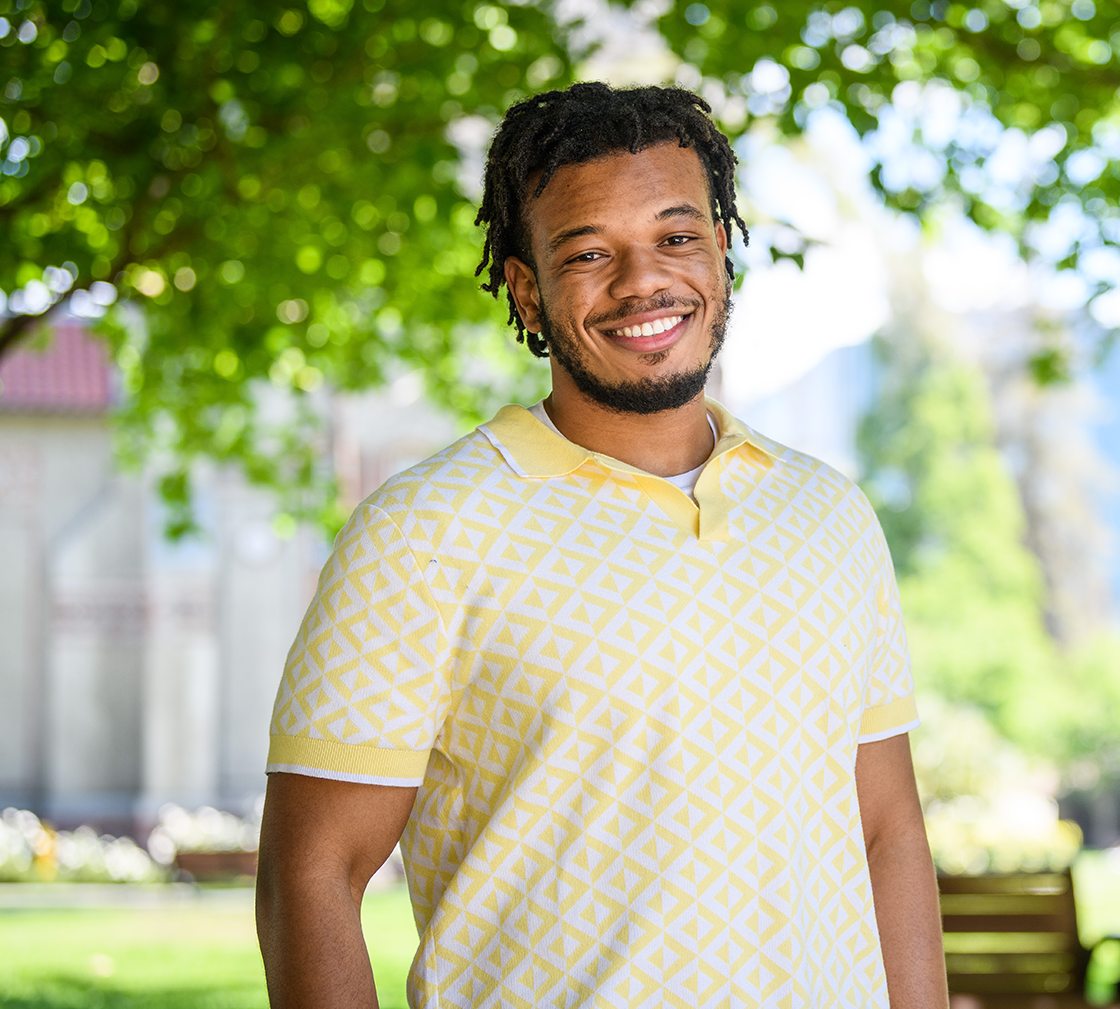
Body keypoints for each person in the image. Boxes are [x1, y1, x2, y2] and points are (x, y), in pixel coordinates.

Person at [255, 82, 947, 1008]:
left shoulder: (829, 515)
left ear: (722, 255)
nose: (642, 283)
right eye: (589, 253)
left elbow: (886, 830)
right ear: (527, 291)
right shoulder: (423, 529)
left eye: (675, 237)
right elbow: (311, 874)